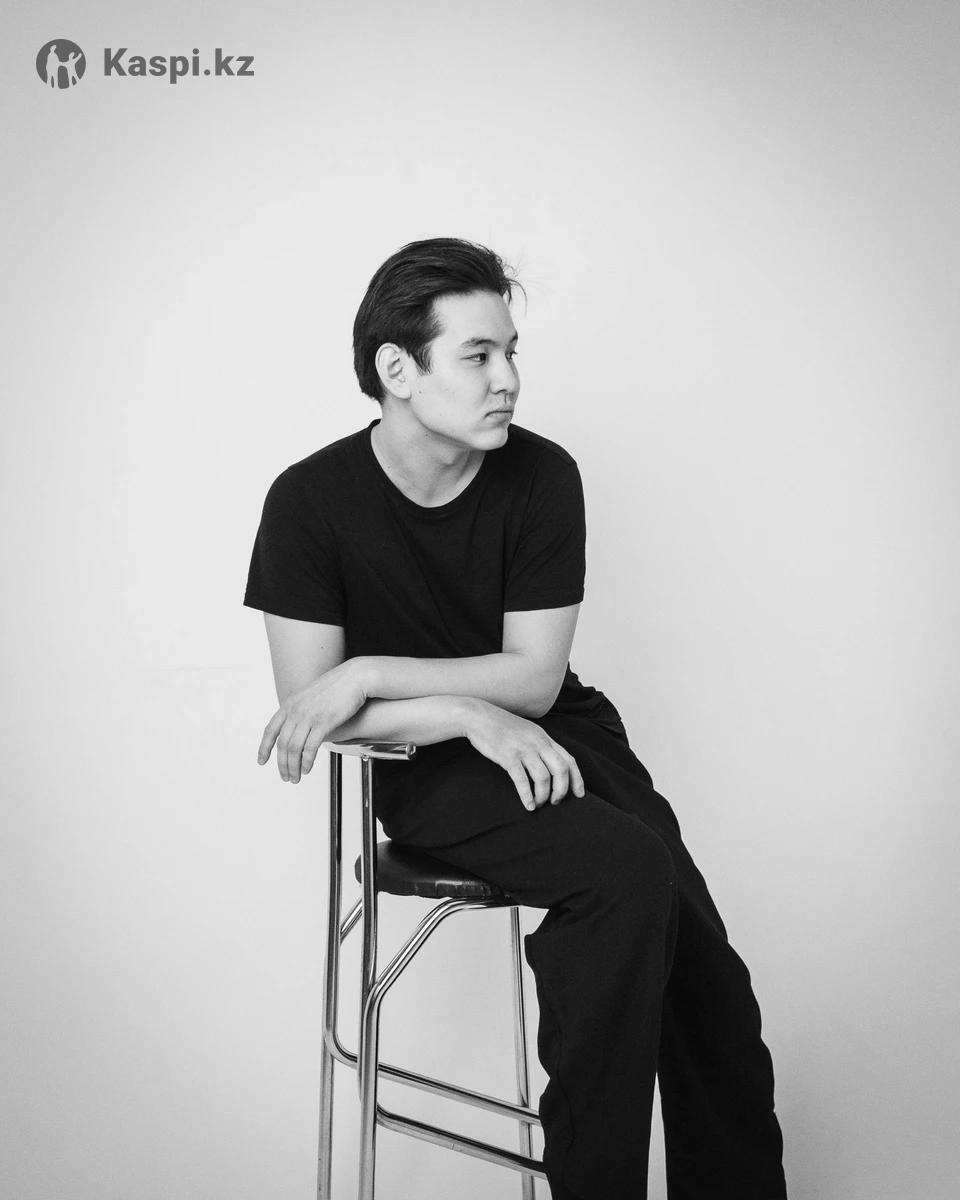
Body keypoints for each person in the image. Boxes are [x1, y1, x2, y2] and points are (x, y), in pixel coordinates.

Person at [243, 237, 788, 1200]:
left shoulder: (542, 476)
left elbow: (534, 682)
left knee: (709, 978)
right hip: (421, 763)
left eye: (511, 352)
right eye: (478, 355)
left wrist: (372, 669)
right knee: (624, 873)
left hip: (562, 731)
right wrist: (461, 712)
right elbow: (313, 713)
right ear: (397, 369)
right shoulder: (307, 502)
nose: (508, 380)